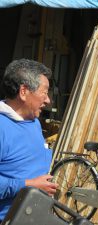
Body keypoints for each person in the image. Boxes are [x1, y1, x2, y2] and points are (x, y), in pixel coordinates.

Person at [0, 59, 58, 222]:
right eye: (44, 92)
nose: (48, 101)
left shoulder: (33, 122)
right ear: (24, 91)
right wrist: (28, 184)